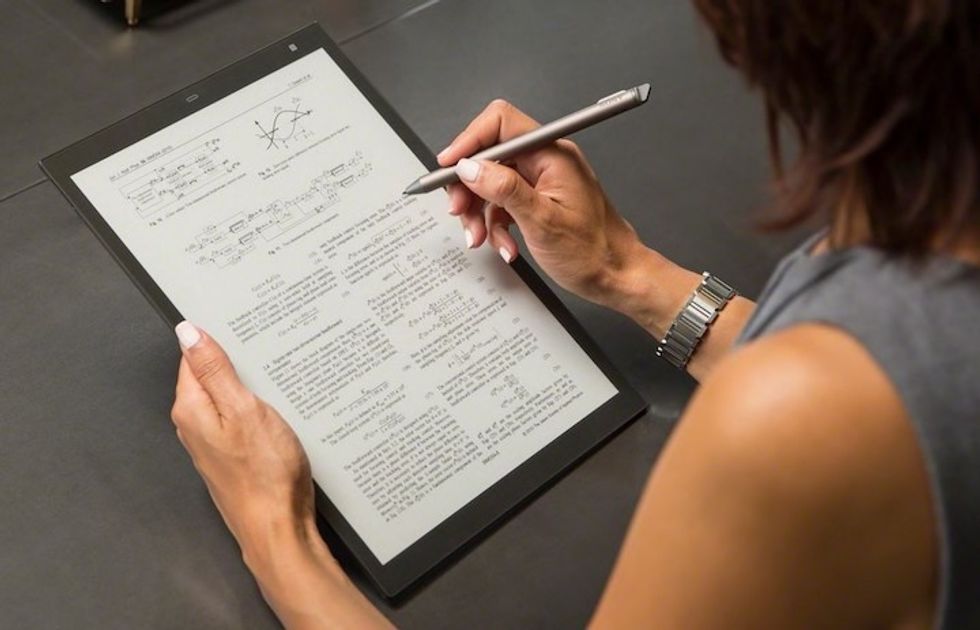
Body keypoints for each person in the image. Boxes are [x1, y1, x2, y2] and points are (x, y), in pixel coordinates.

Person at [169, 1, 980, 627]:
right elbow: (916, 370)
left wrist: (280, 537)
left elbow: (850, 417)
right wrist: (629, 274)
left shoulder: (796, 424)